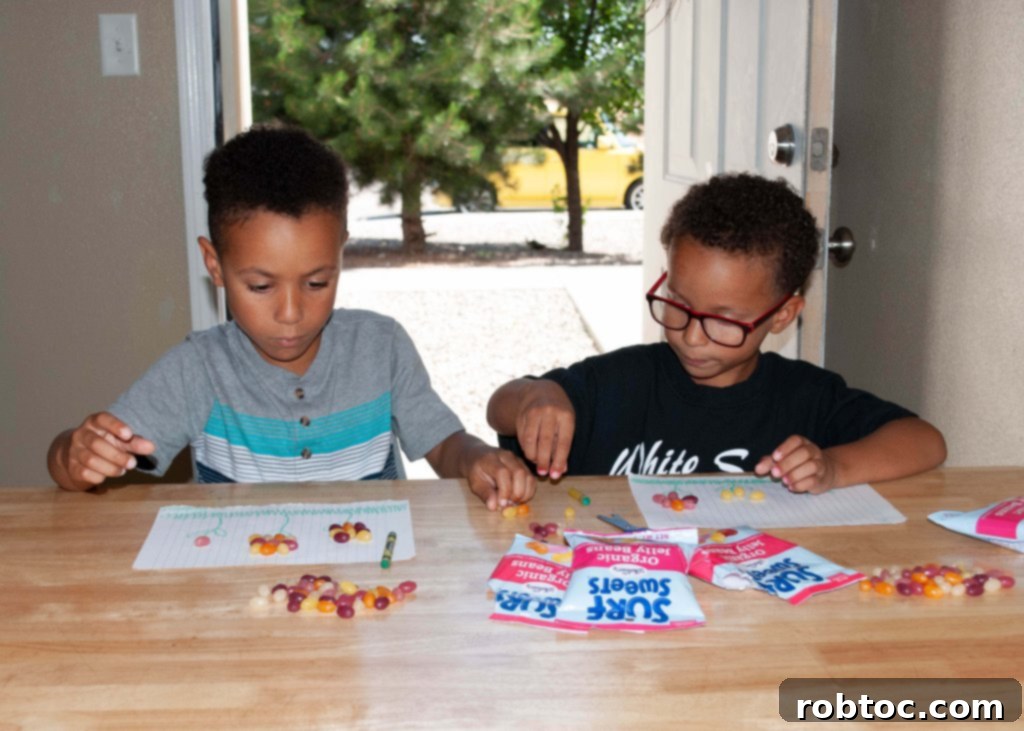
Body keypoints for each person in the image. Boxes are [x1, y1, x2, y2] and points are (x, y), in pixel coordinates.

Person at [47, 125, 534, 510]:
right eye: (260, 286)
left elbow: (444, 443)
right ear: (214, 265)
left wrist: (475, 459)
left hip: (369, 590)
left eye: (317, 282)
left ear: (341, 254)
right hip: (243, 595)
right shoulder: (197, 369)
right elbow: (69, 466)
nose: (291, 313)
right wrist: (75, 456)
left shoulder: (380, 345)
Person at [487, 173, 946, 494]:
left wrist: (833, 467)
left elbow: (925, 441)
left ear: (783, 315)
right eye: (679, 304)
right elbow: (499, 409)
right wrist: (538, 396)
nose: (691, 336)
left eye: (724, 320)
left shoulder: (805, 397)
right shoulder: (620, 382)